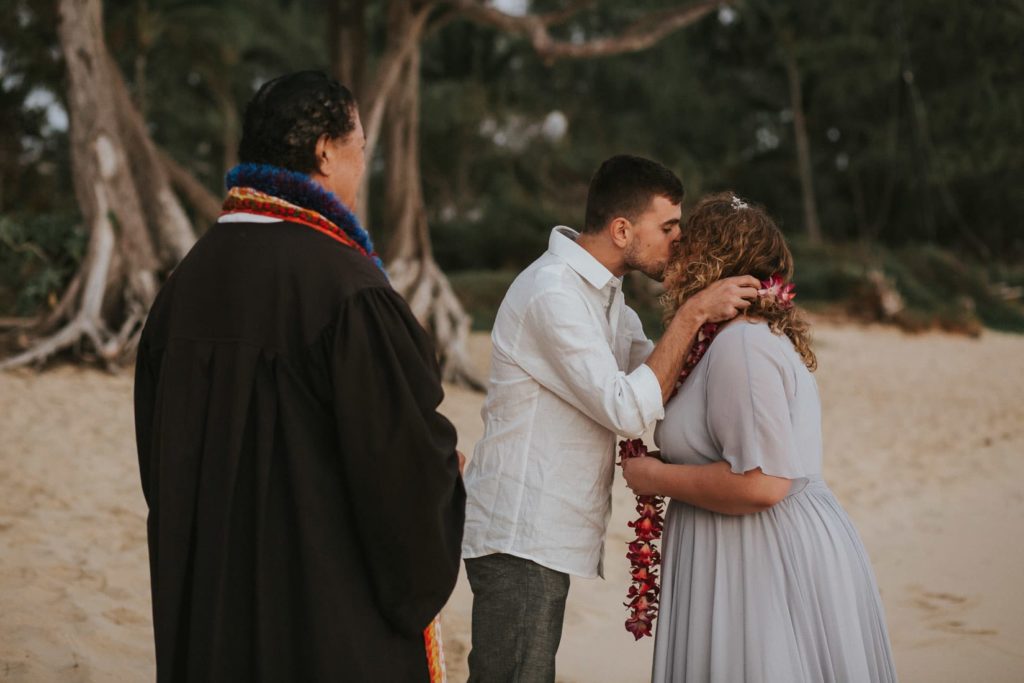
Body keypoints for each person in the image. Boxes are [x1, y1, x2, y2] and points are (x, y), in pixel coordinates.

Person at [133, 71, 465, 682]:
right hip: (318, 614)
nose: (364, 167)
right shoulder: (347, 289)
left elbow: (162, 468)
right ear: (325, 151)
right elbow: (400, 477)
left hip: (210, 606)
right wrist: (445, 467)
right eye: (361, 148)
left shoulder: (184, 284)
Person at [461, 156, 761, 682]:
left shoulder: (605, 297)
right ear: (622, 230)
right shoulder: (554, 292)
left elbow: (663, 372)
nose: (677, 240)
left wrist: (748, 336)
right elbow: (626, 407)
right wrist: (694, 313)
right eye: (668, 227)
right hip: (520, 533)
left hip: (544, 534)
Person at [622, 192, 898, 682]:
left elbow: (761, 483)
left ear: (710, 261)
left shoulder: (742, 347)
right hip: (737, 550)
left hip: (761, 557)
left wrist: (654, 475)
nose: (672, 259)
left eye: (683, 247)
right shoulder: (719, 343)